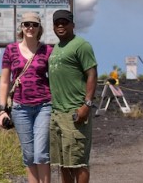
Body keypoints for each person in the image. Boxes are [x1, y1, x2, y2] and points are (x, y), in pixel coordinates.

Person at [0, 11, 54, 183]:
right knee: (29, 155)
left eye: (34, 25)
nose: (30, 28)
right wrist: (2, 110)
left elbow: (55, 78)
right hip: (19, 107)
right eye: (27, 24)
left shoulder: (48, 50)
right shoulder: (11, 50)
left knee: (41, 154)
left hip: (43, 105)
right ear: (21, 27)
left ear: (39, 28)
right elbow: (5, 81)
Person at [48, 10, 98, 183]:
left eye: (65, 22)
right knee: (63, 162)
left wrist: (87, 104)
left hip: (75, 111)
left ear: (72, 25)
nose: (60, 25)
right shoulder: (55, 48)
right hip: (57, 113)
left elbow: (92, 74)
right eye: (57, 23)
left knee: (79, 162)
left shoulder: (81, 45)